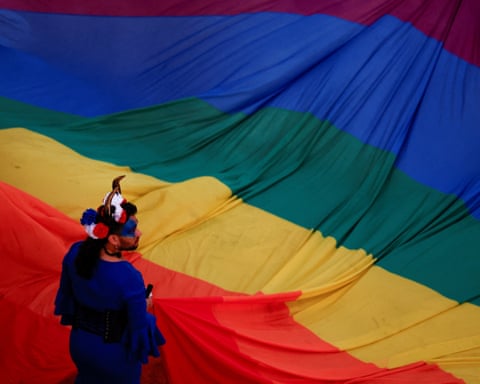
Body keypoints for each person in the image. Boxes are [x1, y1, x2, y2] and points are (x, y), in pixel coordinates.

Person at [54, 175, 166, 384]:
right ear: (113, 239)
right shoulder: (129, 276)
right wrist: (145, 304)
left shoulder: (75, 253)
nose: (139, 233)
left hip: (79, 345)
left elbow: (68, 296)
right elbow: (137, 327)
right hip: (114, 355)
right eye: (132, 230)